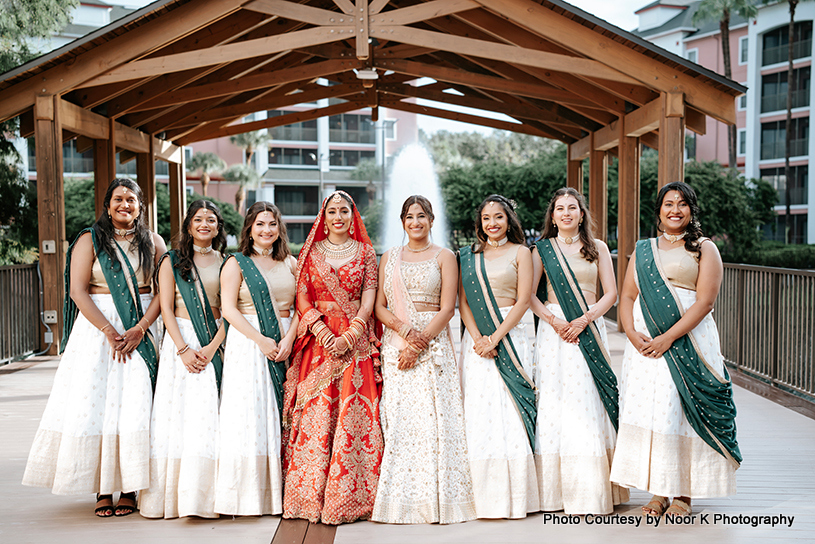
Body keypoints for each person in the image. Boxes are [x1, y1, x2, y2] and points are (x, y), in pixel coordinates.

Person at [23, 178, 166, 518]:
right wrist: (107, 330)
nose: (124, 205)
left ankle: (131, 487)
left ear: (140, 206)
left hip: (141, 326)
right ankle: (103, 487)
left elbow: (163, 290)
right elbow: (77, 290)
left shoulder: (154, 242)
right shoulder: (90, 239)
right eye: (118, 199)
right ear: (107, 204)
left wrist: (140, 329)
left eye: (131, 200)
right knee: (98, 404)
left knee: (136, 403)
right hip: (97, 329)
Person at [610, 181, 741, 518]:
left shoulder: (704, 248)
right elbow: (626, 295)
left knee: (680, 410)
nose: (675, 210)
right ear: (659, 211)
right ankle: (657, 492)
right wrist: (629, 331)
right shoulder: (642, 249)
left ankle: (683, 493)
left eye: (682, 204)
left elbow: (705, 302)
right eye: (669, 204)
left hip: (688, 342)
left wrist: (668, 338)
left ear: (691, 210)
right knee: (654, 411)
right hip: (645, 347)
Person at [372, 196, 476, 524]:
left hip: (433, 350)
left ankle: (440, 499)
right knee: (401, 421)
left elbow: (448, 308)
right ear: (402, 222)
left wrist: (418, 344)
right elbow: (379, 307)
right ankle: (402, 500)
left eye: (421, 216)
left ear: (431, 220)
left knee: (436, 422)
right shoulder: (389, 258)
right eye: (409, 217)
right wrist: (405, 331)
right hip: (396, 346)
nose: (415, 222)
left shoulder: (445, 257)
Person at [282, 190, 383, 525]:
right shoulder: (310, 253)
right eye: (332, 211)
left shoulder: (367, 252)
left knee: (353, 421)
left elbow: (369, 301)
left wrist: (352, 334)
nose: (338, 217)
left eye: (344, 211)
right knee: (318, 417)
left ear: (353, 215)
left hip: (355, 345)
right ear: (322, 218)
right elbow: (302, 298)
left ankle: (353, 499)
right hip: (318, 344)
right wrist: (324, 333)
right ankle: (308, 498)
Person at [530, 187, 628, 515]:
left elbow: (611, 294)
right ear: (553, 216)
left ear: (582, 214)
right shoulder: (542, 250)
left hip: (588, 328)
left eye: (573, 208)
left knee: (587, 399)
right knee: (555, 402)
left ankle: (591, 490)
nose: (567, 213)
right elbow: (529, 296)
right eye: (560, 209)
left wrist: (585, 319)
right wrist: (556, 321)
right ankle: (554, 494)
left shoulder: (597, 248)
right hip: (554, 332)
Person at [139, 200, 227, 519]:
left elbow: (229, 309)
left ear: (219, 226)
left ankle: (210, 498)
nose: (205, 224)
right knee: (179, 418)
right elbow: (165, 308)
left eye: (211, 219)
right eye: (199, 219)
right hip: (182, 341)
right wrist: (182, 349)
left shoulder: (227, 261)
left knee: (211, 418)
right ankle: (175, 497)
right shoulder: (171, 260)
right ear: (188, 225)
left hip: (215, 338)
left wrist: (215, 345)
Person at [458, 194, 539, 519]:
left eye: (499, 217)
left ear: (509, 221)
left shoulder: (522, 252)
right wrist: (479, 339)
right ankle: (480, 497)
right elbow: (462, 302)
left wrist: (496, 336)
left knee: (510, 412)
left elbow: (522, 301)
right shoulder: (469, 256)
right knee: (480, 412)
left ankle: (517, 495)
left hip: (512, 336)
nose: (492, 223)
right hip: (476, 343)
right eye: (486, 218)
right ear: (479, 223)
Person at [214, 202, 298, 516]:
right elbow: (229, 310)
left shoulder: (290, 262)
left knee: (282, 414)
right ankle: (247, 494)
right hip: (249, 345)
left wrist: (288, 339)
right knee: (250, 416)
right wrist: (261, 339)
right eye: (260, 224)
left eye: (272, 224)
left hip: (287, 341)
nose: (266, 230)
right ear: (249, 228)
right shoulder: (236, 263)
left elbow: (303, 305)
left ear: (280, 228)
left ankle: (283, 492)